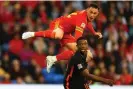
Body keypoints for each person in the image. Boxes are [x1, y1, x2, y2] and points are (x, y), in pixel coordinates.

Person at [22, 3, 102, 73]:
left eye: (95, 13)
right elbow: (78, 37)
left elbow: (88, 23)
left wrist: (94, 32)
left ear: (98, 13)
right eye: (91, 12)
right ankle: (32, 34)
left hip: (66, 33)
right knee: (59, 35)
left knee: (89, 55)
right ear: (87, 10)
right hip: (59, 24)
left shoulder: (86, 15)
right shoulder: (82, 19)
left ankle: (53, 59)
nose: (92, 15)